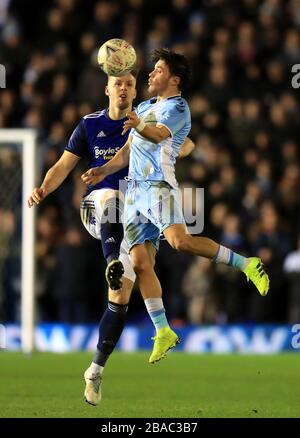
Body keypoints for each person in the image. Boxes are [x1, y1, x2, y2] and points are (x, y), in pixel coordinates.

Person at [82, 48, 270, 367]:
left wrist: (139, 125)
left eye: (158, 70)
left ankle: (246, 264)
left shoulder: (178, 107)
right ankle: (164, 330)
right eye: (153, 69)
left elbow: (156, 136)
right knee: (141, 263)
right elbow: (127, 153)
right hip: (134, 195)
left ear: (174, 79)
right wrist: (103, 170)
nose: (151, 74)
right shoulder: (143, 107)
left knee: (180, 242)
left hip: (158, 188)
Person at [28, 70, 195, 406]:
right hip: (97, 207)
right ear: (107, 89)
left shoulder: (147, 118)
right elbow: (63, 166)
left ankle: (95, 370)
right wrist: (44, 188)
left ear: (135, 91)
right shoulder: (90, 125)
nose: (124, 88)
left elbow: (186, 142)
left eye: (130, 84)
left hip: (138, 215)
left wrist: (173, 145)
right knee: (110, 200)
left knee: (119, 300)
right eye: (117, 83)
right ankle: (111, 263)